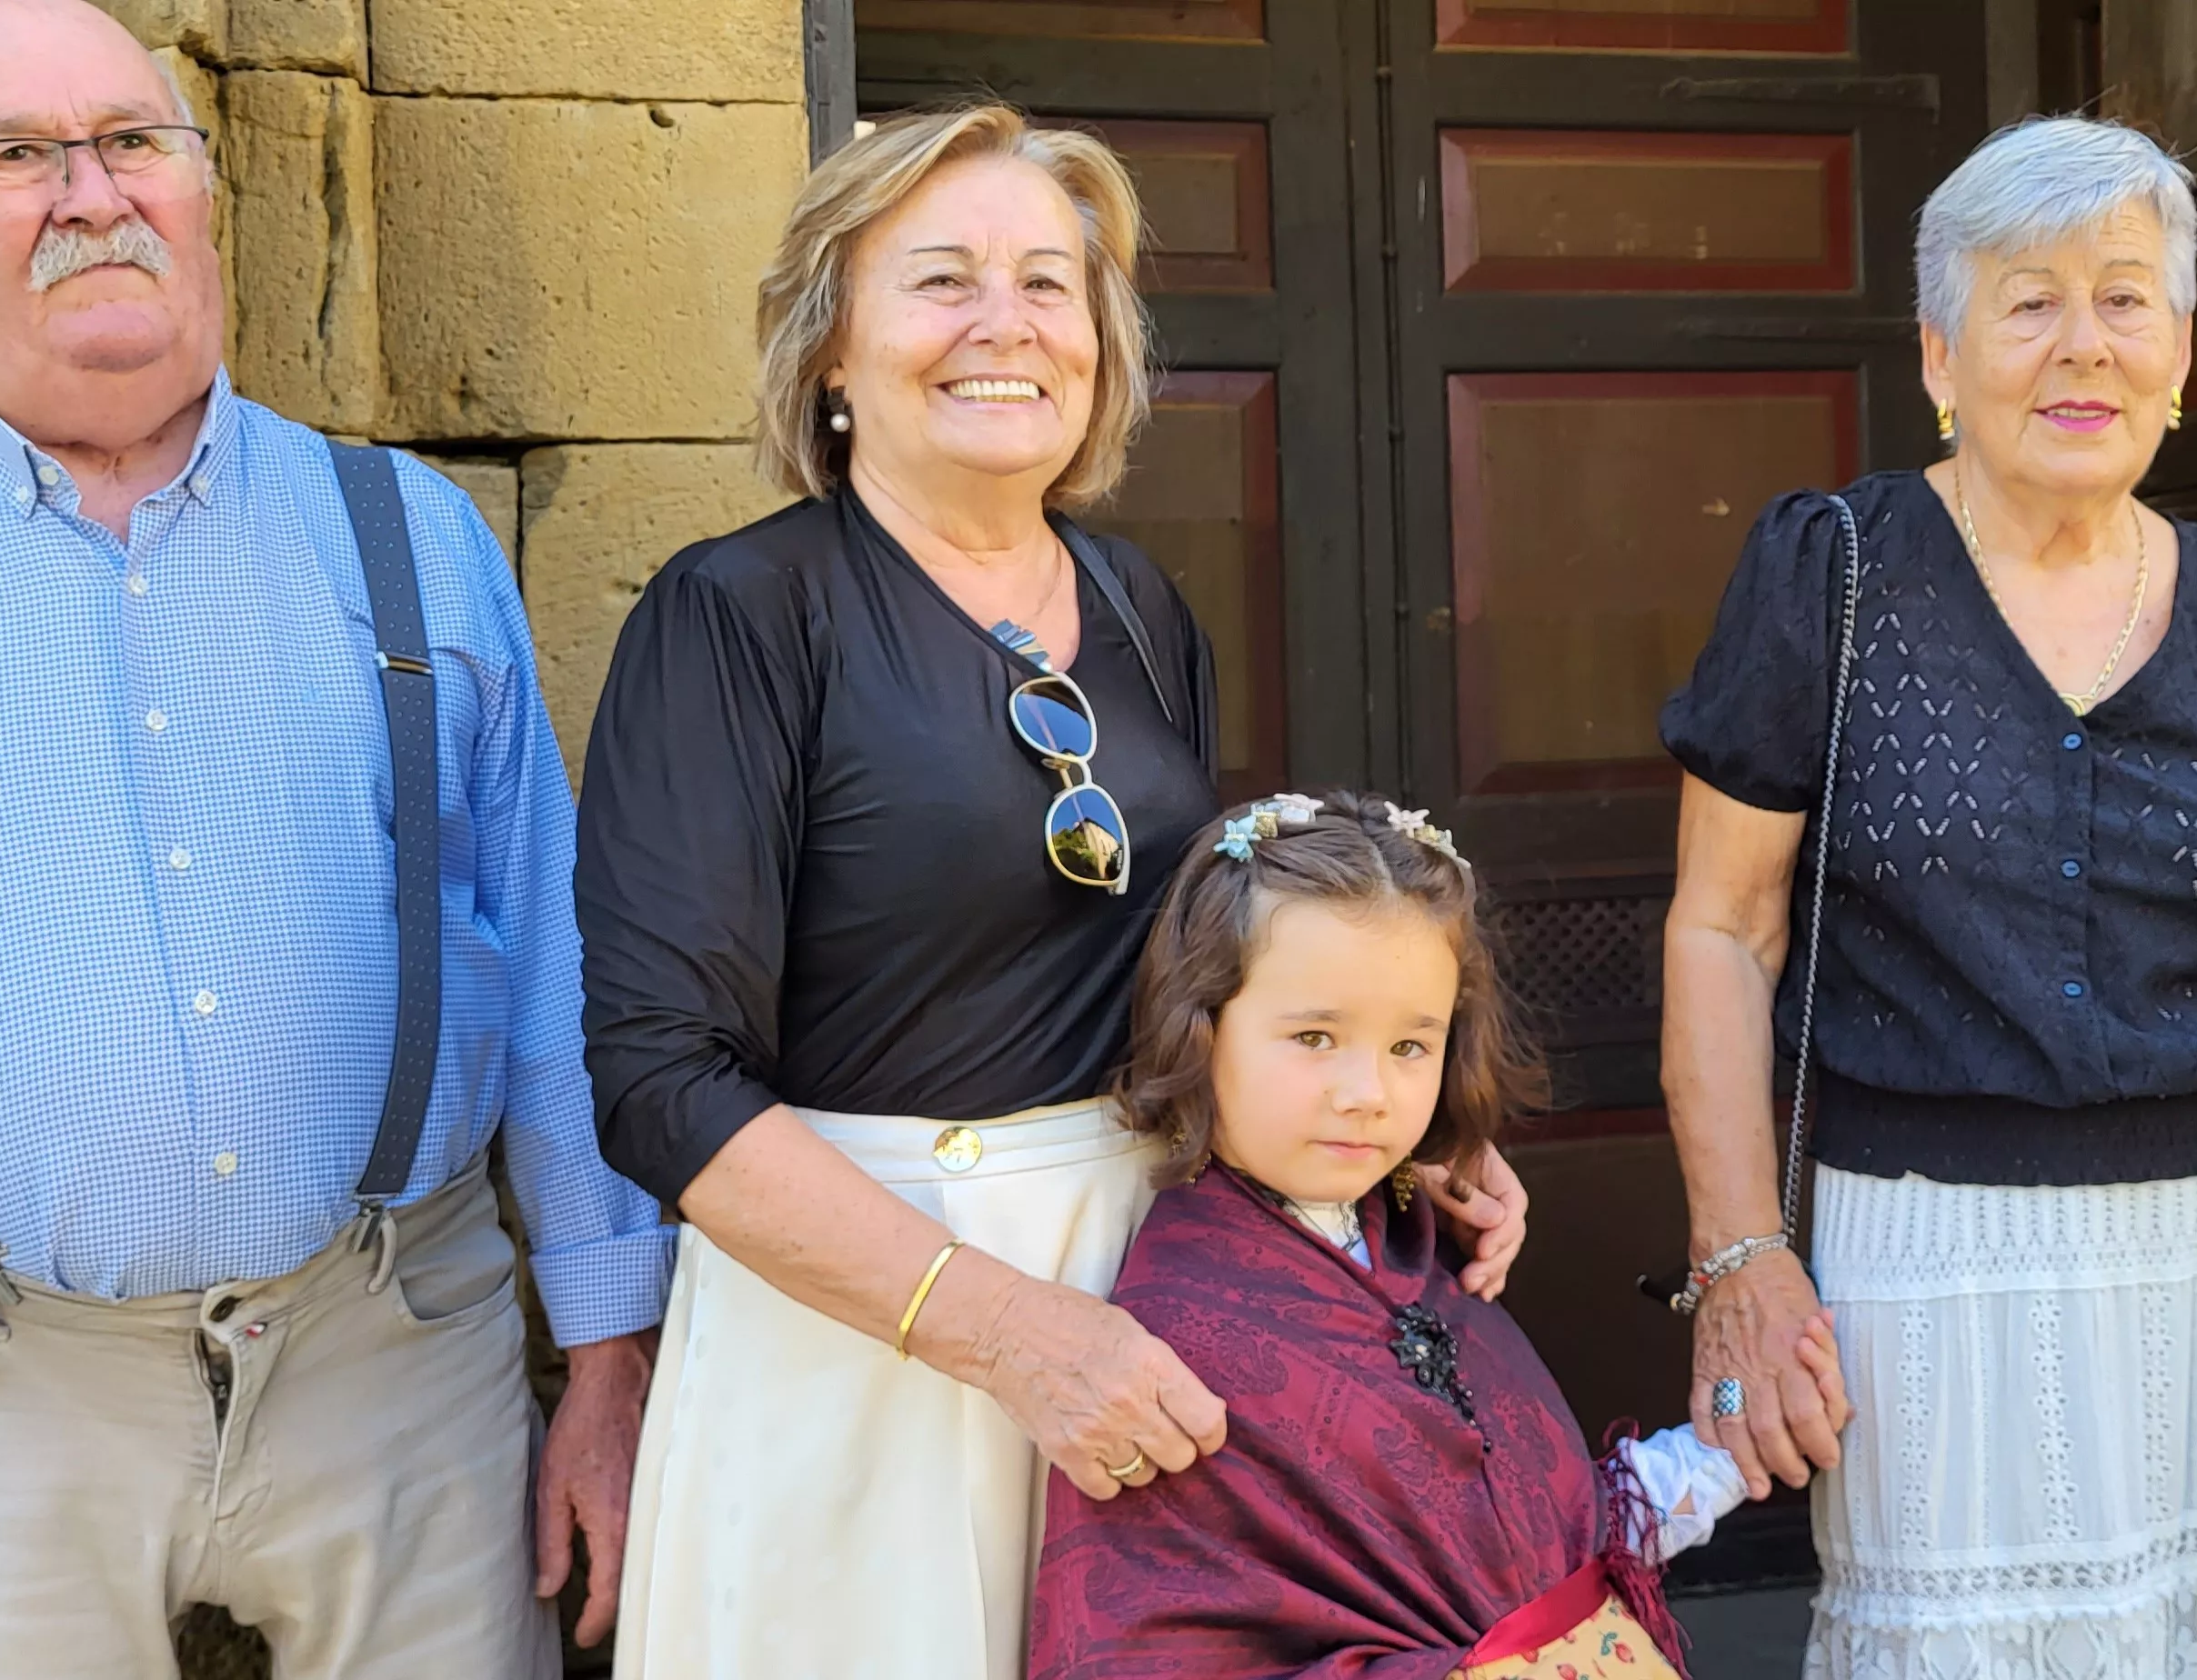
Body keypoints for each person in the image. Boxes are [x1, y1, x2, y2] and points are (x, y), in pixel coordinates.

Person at [0, 1, 673, 1673]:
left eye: (134, 137)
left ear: (198, 183)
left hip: (404, 1360)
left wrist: (611, 1361)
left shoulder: (410, 540)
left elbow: (546, 965)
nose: (95, 192)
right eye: (13, 154)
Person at [576, 105, 1535, 1680]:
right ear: (830, 347)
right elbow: (660, 1082)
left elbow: (1193, 983)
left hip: (1150, 1291)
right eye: (941, 280)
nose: (1005, 325)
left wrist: (1379, 1138)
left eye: (1048, 282)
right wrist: (1007, 1331)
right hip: (861, 1317)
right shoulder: (737, 617)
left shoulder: (1140, 605)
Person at [1654, 115, 2197, 1671]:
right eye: (2026, 299)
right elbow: (1722, 925)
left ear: (2178, 351)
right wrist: (1740, 1254)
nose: (2081, 346)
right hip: (1935, 1268)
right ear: (1939, 351)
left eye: (2124, 298)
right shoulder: (1830, 574)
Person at [1028, 793, 1760, 1679]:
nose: (1366, 1090)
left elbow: (1512, 1532)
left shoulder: (1412, 1238)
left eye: (1409, 1047)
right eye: (1313, 1036)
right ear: (1200, 1024)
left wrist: (1701, 1466)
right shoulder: (1181, 1327)